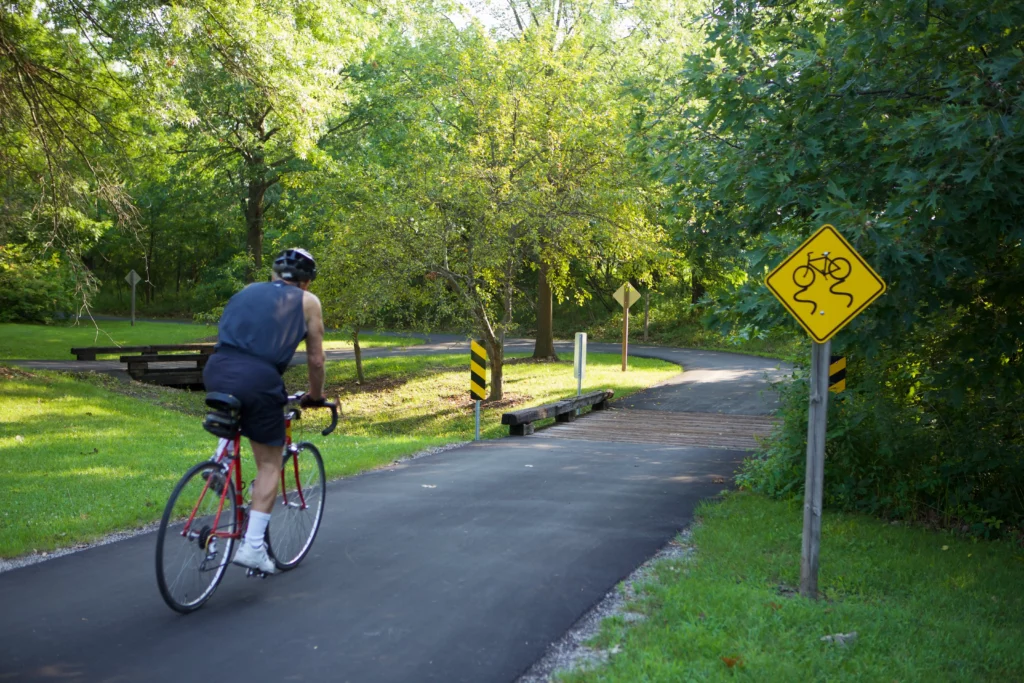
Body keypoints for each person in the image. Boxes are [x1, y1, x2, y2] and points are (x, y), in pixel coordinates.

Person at [202, 247, 326, 574]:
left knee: (239, 407)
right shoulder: (307, 302)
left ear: (273, 275)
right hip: (258, 377)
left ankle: (220, 461)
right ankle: (254, 547)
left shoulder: (247, 291)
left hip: (217, 368)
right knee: (270, 463)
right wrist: (315, 395)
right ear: (306, 283)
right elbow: (316, 359)